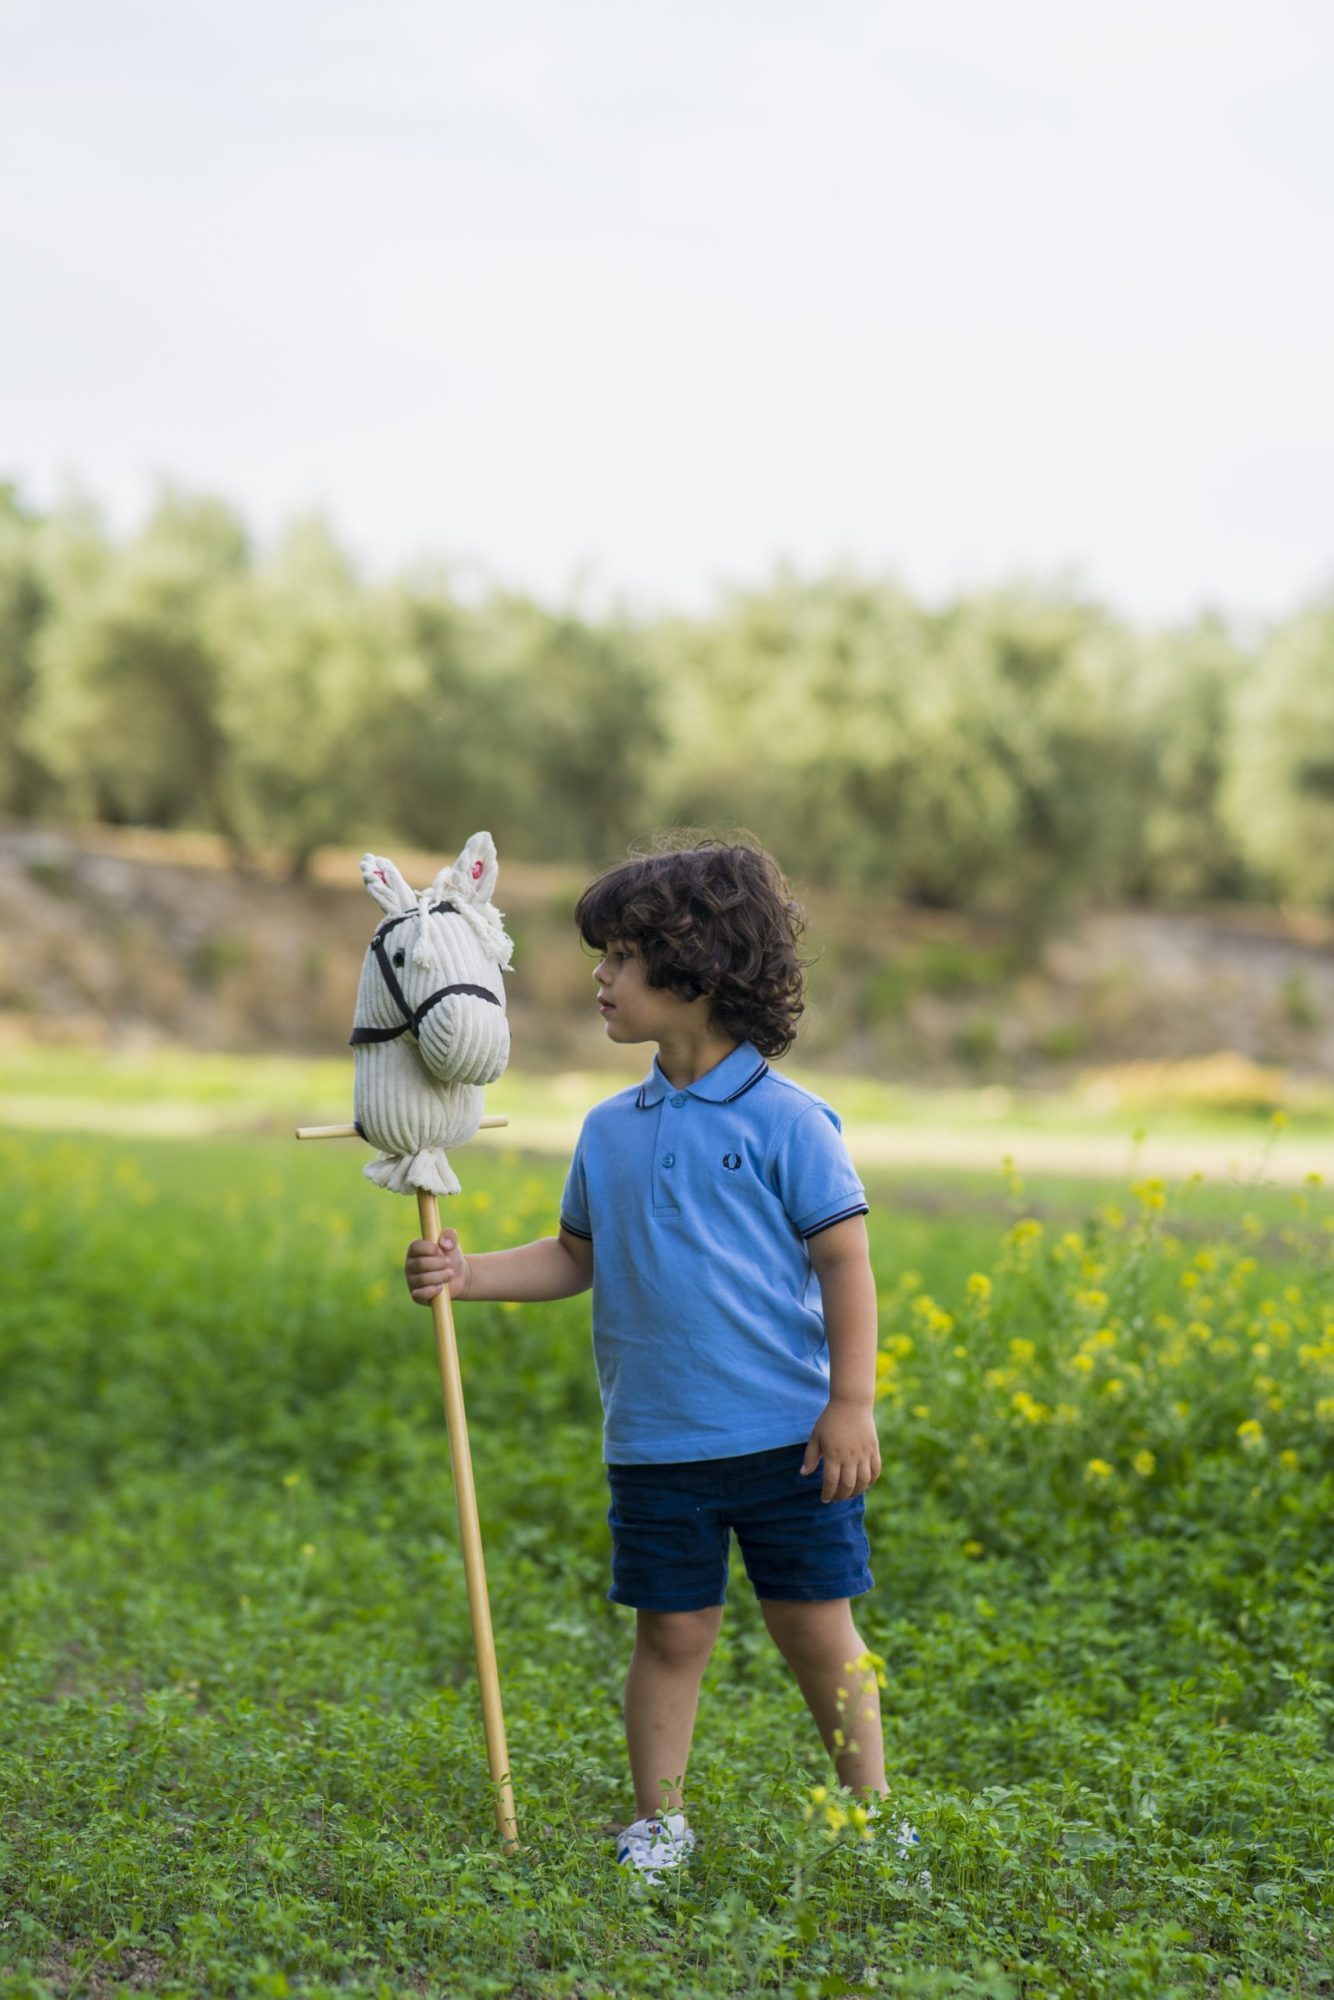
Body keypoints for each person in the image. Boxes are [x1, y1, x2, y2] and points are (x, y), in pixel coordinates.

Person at [405, 839, 910, 1882]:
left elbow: (844, 1256)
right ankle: (658, 1821)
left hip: (790, 1441)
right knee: (668, 1635)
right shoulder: (607, 1129)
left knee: (817, 1631)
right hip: (657, 1443)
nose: (597, 977)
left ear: (698, 969)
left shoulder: (789, 1121)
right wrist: (466, 1273)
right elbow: (575, 1255)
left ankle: (871, 1817)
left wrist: (849, 1401)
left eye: (621, 955)